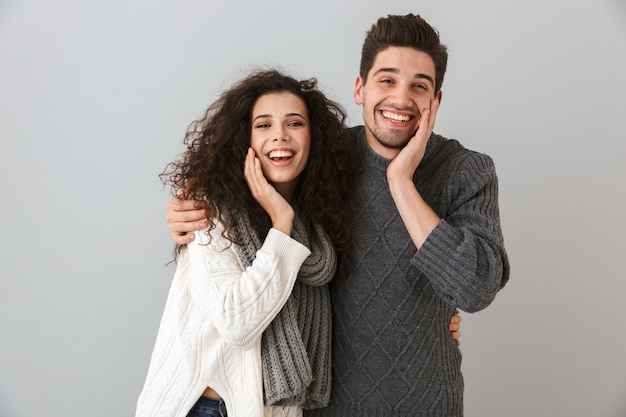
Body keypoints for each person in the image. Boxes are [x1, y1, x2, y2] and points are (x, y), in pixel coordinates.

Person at [166, 13, 508, 416]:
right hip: (323, 406)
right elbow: (244, 215)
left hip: (427, 403)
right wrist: (184, 215)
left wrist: (401, 182)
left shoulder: (467, 170)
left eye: (419, 85)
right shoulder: (323, 160)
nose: (401, 98)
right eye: (387, 79)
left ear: (436, 100)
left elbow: (475, 288)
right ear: (360, 88)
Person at [136, 69, 357, 417]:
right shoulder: (211, 210)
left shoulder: (320, 227)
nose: (280, 136)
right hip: (202, 408)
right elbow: (237, 323)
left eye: (295, 123)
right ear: (245, 139)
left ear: (315, 137)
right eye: (264, 125)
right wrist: (280, 224)